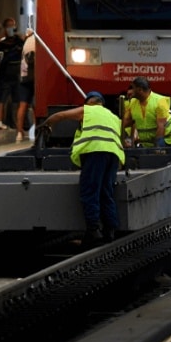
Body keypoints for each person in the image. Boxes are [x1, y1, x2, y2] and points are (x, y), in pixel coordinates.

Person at [42, 91, 124, 247]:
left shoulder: (87, 110)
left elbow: (60, 116)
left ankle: (94, 230)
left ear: (89, 102)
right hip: (113, 155)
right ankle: (110, 230)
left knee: (90, 191)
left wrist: (47, 125)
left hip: (95, 152)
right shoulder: (114, 117)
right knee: (106, 192)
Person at [121, 77, 171, 147]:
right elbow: (125, 123)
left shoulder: (160, 101)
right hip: (149, 141)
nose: (130, 91)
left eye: (133, 88)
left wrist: (158, 147)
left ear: (140, 90)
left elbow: (161, 127)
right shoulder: (132, 103)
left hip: (167, 138)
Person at [0, 18, 24, 132]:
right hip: (4, 74)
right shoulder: (1, 43)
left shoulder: (19, 40)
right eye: (9, 26)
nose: (11, 28)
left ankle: (15, 122)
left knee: (17, 99)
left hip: (17, 73)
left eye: (13, 25)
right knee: (2, 98)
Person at [15, 28, 37, 144]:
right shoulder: (38, 40)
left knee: (22, 105)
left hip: (24, 76)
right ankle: (36, 129)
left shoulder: (27, 42)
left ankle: (19, 133)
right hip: (35, 78)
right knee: (35, 105)